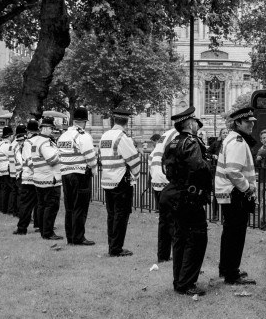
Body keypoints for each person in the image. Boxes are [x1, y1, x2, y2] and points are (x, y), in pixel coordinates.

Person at [161, 107, 211, 296]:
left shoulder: (173, 142)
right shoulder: (191, 142)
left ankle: (179, 280)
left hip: (175, 193)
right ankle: (187, 283)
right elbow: (198, 167)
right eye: (196, 123)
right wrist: (210, 165)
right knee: (196, 239)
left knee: (180, 239)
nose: (198, 126)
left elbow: (166, 168)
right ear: (190, 124)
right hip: (189, 197)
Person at [214, 106, 259, 285]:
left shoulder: (233, 139)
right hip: (235, 194)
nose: (251, 126)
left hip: (229, 193)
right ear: (238, 123)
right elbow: (233, 170)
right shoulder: (238, 141)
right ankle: (232, 274)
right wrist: (247, 188)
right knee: (236, 235)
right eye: (247, 122)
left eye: (252, 122)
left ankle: (226, 269)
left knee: (230, 233)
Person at [99, 107, 142, 257]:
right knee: (121, 215)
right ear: (127, 121)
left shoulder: (105, 136)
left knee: (111, 214)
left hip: (107, 180)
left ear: (114, 119)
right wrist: (136, 175)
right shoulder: (122, 137)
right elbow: (134, 160)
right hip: (120, 180)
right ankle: (116, 248)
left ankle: (112, 244)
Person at [58, 107, 98, 246]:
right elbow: (90, 156)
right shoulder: (83, 135)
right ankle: (78, 237)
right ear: (84, 121)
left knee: (69, 207)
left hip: (65, 173)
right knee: (80, 207)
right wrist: (94, 168)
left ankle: (70, 237)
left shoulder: (63, 136)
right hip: (80, 174)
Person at [28, 116, 63, 240]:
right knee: (51, 206)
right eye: (51, 128)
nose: (52, 131)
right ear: (46, 128)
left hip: (39, 178)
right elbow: (52, 160)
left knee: (42, 205)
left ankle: (43, 231)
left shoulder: (36, 140)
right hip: (50, 178)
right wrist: (60, 152)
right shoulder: (45, 142)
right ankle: (48, 232)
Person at [149, 123, 179, 262]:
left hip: (157, 180)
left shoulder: (165, 135)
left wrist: (155, 175)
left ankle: (163, 255)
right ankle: (178, 255)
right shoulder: (178, 136)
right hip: (167, 181)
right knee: (175, 221)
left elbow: (151, 157)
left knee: (164, 221)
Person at [13, 123, 41, 235]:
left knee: (27, 204)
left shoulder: (27, 143)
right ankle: (40, 225)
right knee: (39, 203)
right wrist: (40, 172)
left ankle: (22, 228)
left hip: (29, 177)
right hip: (36, 177)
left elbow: (28, 161)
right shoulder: (39, 142)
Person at [0, 126, 14, 214]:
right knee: (10, 190)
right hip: (7, 169)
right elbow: (12, 157)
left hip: (0, 169)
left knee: (3, 190)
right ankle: (8, 209)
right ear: (10, 136)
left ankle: (2, 208)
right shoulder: (7, 146)